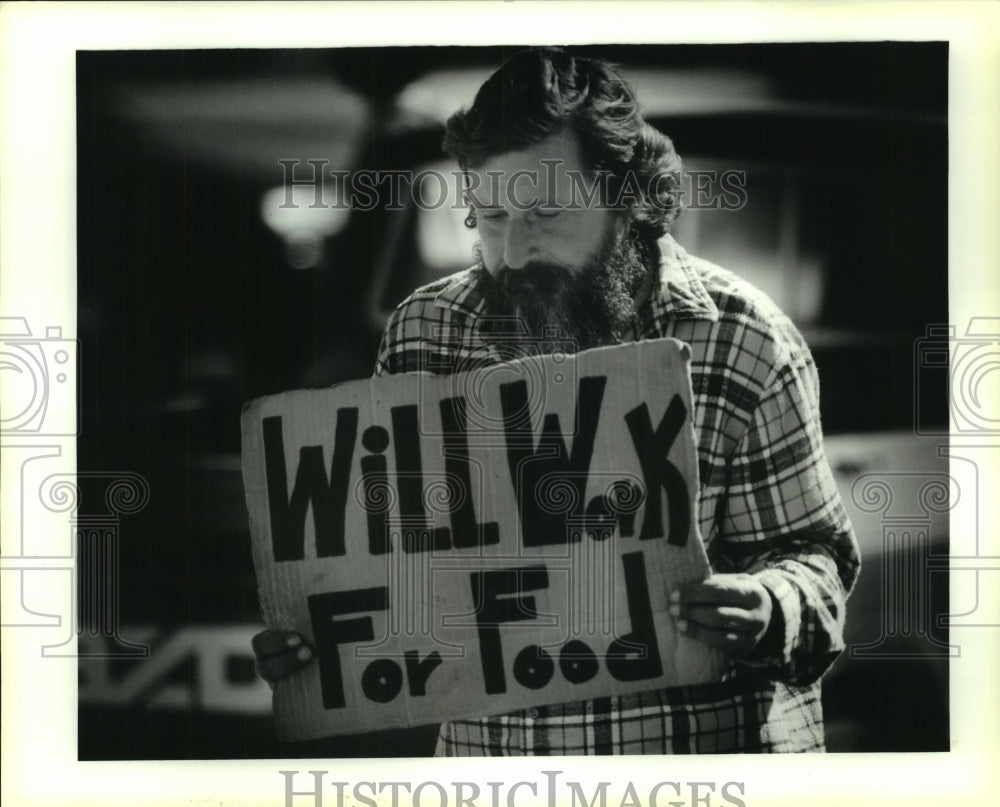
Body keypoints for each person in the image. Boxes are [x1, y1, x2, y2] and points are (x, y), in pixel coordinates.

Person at [253, 47, 860, 754]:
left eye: (545, 212)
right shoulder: (425, 332)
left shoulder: (744, 339)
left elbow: (817, 563)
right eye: (491, 218)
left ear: (627, 200)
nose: (514, 253)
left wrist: (768, 606)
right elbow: (397, 567)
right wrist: (319, 632)